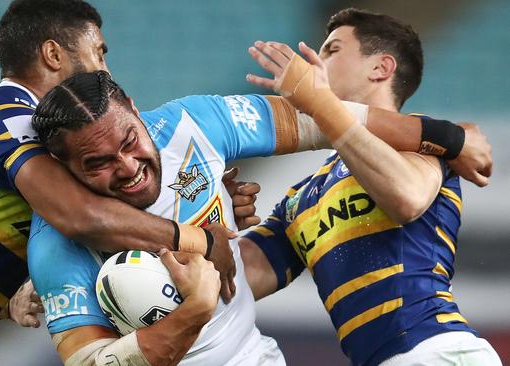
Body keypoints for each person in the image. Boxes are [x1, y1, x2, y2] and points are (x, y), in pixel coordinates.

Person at [26, 61, 492, 364]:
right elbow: (91, 362)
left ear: (134, 109)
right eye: (98, 164)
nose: (128, 168)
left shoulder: (193, 125)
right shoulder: (56, 241)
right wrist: (195, 306)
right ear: (65, 168)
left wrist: (449, 137)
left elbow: (327, 123)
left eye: (130, 142)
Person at [0, 1, 239, 365]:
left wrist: (208, 192)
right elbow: (84, 217)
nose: (105, 72)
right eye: (99, 53)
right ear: (53, 55)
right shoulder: (12, 119)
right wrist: (201, 237)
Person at [241, 8, 501, 366]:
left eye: (332, 50)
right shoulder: (301, 197)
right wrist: (207, 211)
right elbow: (238, 279)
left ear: (381, 68)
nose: (315, 61)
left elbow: (406, 197)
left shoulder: (421, 140)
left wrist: (320, 104)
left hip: (436, 350)